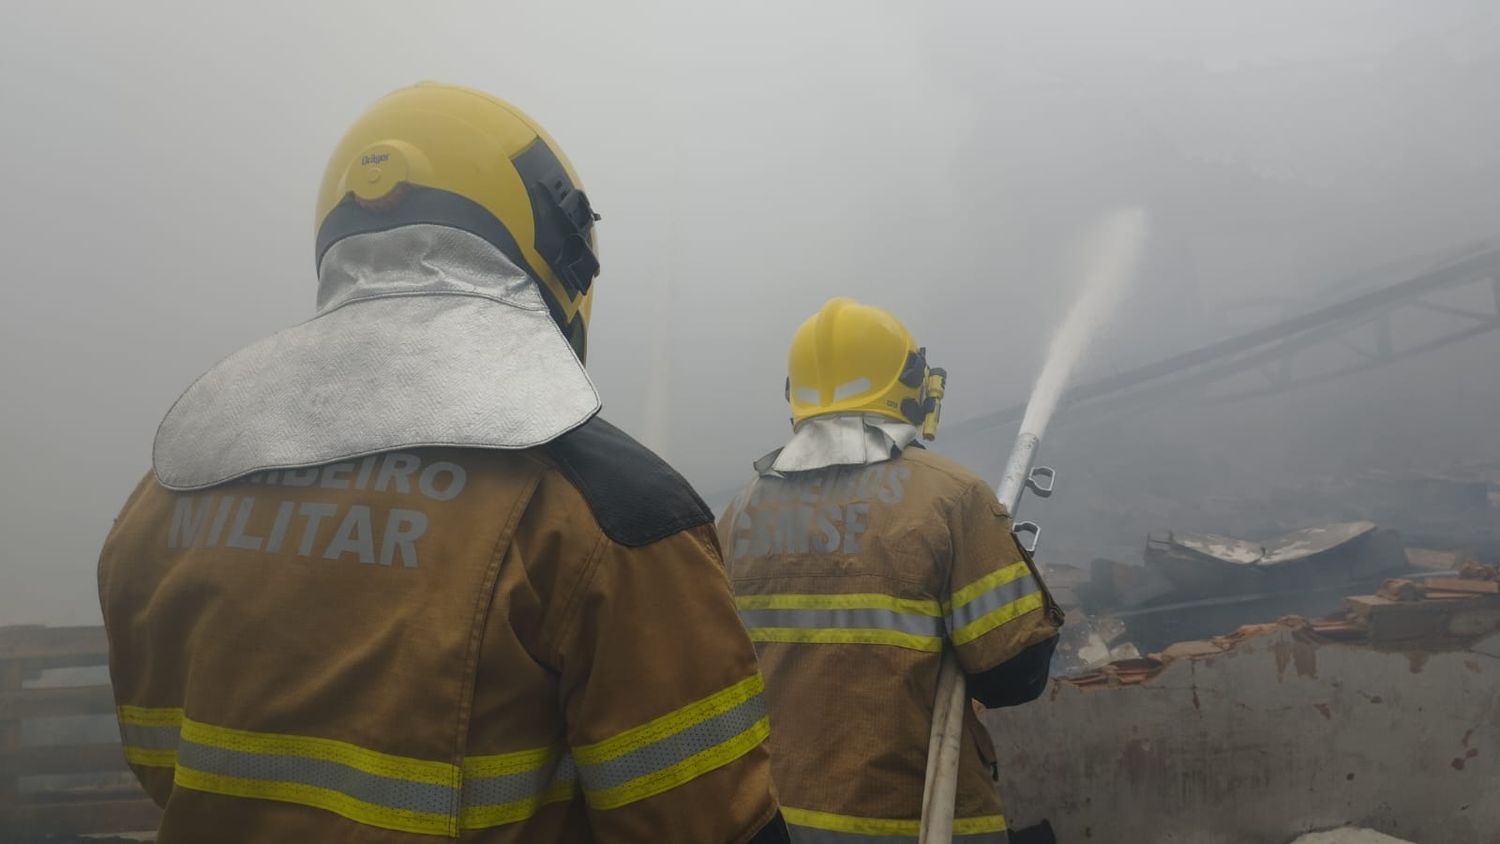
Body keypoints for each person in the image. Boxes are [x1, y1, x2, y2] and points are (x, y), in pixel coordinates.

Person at [98, 81, 787, 844]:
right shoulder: (613, 514)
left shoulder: (174, 485)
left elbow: (160, 763)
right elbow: (709, 824)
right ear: (555, 250)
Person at [716, 297, 1063, 843]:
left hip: (772, 820)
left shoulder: (738, 514)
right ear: (909, 384)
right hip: (920, 821)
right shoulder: (951, 498)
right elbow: (1013, 677)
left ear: (797, 394)